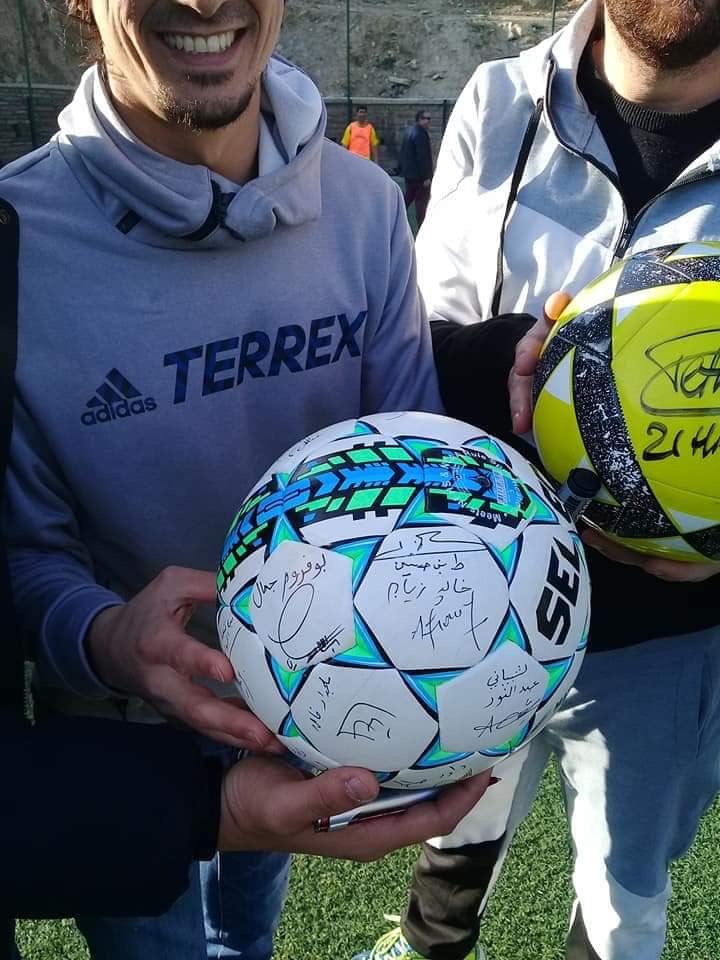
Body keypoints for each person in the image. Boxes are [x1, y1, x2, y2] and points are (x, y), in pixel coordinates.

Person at [0, 0, 493, 955]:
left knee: (247, 941)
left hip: (300, 715)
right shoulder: (17, 241)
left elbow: (418, 468)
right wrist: (104, 636)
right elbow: (22, 556)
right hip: (117, 741)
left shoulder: (365, 207)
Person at [354, 1, 720, 959]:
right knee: (456, 821)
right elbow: (419, 340)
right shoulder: (499, 97)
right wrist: (531, 353)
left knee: (625, 885)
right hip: (481, 593)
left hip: (671, 636)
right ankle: (431, 944)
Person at [398, 110, 433, 228]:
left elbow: (403, 152)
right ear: (419, 119)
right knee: (421, 202)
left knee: (408, 198)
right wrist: (426, 176)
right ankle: (421, 227)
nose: (427, 121)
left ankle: (394, 216)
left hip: (410, 174)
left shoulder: (410, 131)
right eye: (424, 118)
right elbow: (423, 157)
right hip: (419, 176)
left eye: (429, 119)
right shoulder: (420, 134)